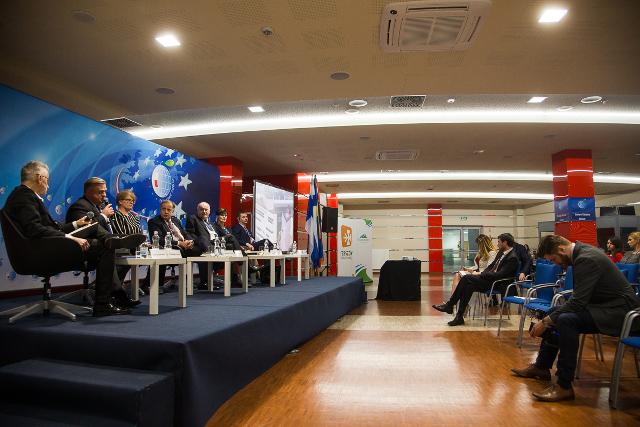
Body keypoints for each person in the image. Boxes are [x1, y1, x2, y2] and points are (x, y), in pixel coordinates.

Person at [3, 161, 143, 316]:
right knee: (103, 247)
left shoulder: (23, 195)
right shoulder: (25, 197)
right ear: (40, 178)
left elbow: (50, 227)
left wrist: (76, 224)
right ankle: (103, 303)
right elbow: (35, 229)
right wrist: (70, 238)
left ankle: (112, 241)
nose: (48, 185)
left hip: (39, 248)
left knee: (99, 237)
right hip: (37, 253)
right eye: (47, 180)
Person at [511, 234, 640, 402]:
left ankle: (564, 385)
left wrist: (544, 322)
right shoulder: (581, 254)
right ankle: (542, 366)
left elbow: (578, 302)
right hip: (604, 306)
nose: (556, 264)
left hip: (620, 313)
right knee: (554, 312)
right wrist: (549, 319)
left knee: (566, 320)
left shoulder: (587, 258)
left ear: (561, 249)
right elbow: (580, 298)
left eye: (554, 259)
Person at [432, 233, 519, 326]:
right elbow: (491, 267)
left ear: (505, 242)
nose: (497, 244)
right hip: (490, 280)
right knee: (468, 286)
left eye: (499, 242)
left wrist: (482, 274)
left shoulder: (512, 258)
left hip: (498, 284)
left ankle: (450, 305)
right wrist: (482, 274)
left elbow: (500, 275)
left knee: (466, 278)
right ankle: (459, 316)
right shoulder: (501, 253)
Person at [143, 200, 202, 293]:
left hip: (183, 246)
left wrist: (189, 241)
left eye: (169, 210)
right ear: (160, 210)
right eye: (163, 209)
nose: (166, 212)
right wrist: (179, 243)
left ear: (173, 211)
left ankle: (202, 281)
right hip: (169, 247)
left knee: (200, 249)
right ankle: (150, 285)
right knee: (165, 253)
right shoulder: (154, 222)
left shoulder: (176, 220)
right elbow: (159, 240)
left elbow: (184, 233)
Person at [185, 201, 223, 289]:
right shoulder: (193, 218)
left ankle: (240, 268)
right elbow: (189, 233)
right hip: (201, 244)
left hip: (215, 243)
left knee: (230, 239)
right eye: (201, 209)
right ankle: (205, 281)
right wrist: (195, 241)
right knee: (203, 238)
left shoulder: (211, 223)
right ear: (197, 210)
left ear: (209, 211)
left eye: (206, 210)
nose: (204, 211)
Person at [111, 189, 143, 282]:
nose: (131, 202)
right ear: (120, 201)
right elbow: (120, 234)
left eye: (133, 201)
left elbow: (139, 233)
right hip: (122, 248)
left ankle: (118, 285)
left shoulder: (134, 217)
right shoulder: (115, 215)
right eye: (128, 200)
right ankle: (113, 285)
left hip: (135, 248)